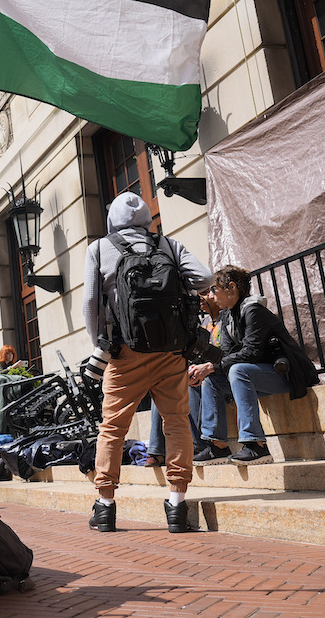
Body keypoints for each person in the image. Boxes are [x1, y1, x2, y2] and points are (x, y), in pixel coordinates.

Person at [82, 193, 212, 534]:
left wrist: (102, 345)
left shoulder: (99, 249)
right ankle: (176, 503)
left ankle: (106, 506)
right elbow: (206, 279)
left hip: (125, 354)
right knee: (177, 423)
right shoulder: (169, 245)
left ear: (112, 220)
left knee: (112, 428)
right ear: (146, 219)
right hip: (170, 352)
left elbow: (91, 303)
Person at [191, 265, 320, 465]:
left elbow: (251, 353)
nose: (211, 296)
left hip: (286, 375)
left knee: (238, 370)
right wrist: (204, 367)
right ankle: (217, 447)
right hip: (255, 376)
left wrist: (212, 367)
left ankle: (256, 445)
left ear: (231, 287)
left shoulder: (254, 311)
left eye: (213, 290)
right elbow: (225, 353)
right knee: (212, 379)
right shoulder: (227, 316)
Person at [144, 290, 220, 466]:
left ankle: (197, 445)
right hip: (202, 371)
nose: (201, 298)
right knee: (162, 387)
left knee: (189, 385)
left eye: (205, 292)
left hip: (218, 375)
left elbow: (229, 354)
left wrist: (206, 368)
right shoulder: (205, 322)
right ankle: (157, 450)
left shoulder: (228, 320)